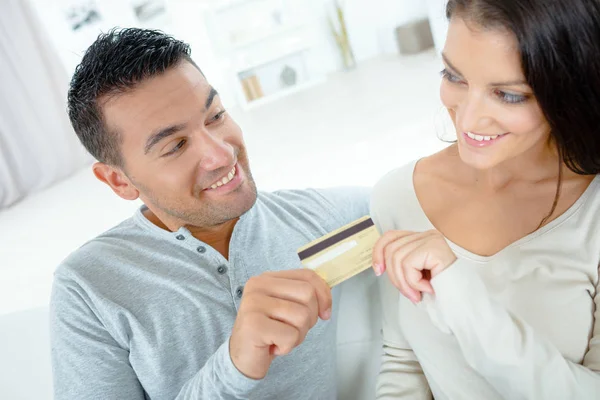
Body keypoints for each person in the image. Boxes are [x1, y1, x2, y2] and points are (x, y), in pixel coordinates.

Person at [50, 28, 370, 400]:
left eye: (215, 115)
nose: (222, 155)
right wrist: (232, 368)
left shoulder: (321, 218)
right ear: (118, 180)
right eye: (176, 145)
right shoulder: (89, 289)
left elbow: (415, 197)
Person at [370, 0, 600, 398]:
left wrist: (459, 291)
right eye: (453, 76)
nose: (469, 119)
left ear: (567, 88)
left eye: (508, 95)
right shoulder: (398, 196)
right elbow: (404, 363)